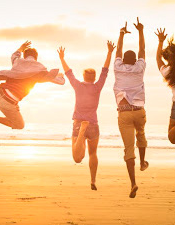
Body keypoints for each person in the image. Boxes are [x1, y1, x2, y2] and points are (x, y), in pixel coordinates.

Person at [57, 41, 115, 191]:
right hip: (93, 124)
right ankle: (93, 180)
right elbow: (105, 70)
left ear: (83, 76)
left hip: (79, 123)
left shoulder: (78, 85)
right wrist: (109, 52)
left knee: (77, 158)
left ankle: (82, 132)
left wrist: (62, 58)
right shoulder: (98, 86)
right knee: (93, 153)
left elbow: (68, 72)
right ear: (94, 78)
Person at [0, 41, 64, 130]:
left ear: (25, 56)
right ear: (36, 57)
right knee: (19, 125)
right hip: (9, 103)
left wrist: (21, 48)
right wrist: (60, 76)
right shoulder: (39, 69)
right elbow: (58, 81)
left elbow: (14, 55)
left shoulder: (18, 62)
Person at [113, 17, 149, 198]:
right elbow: (142, 49)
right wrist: (141, 31)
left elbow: (118, 50)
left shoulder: (117, 67)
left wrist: (121, 34)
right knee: (140, 134)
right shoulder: (140, 68)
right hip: (139, 112)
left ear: (123, 60)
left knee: (128, 148)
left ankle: (133, 183)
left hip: (124, 113)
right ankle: (143, 162)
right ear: (135, 60)